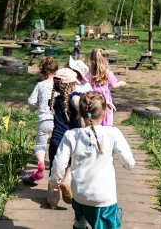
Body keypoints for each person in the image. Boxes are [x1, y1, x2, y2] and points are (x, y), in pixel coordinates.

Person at [49, 91, 135, 229]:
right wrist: (129, 164)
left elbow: (59, 164)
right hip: (104, 199)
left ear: (80, 113)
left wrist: (54, 182)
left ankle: (80, 224)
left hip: (79, 195)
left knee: (80, 217)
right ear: (104, 113)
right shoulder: (112, 133)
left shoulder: (70, 135)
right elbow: (128, 161)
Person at [47, 68, 81, 205]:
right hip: (73, 140)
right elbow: (82, 107)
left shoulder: (53, 101)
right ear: (72, 85)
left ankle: (52, 201)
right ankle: (67, 181)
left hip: (56, 140)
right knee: (73, 165)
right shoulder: (76, 97)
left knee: (54, 171)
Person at [24, 57, 59, 184]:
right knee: (58, 144)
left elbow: (32, 101)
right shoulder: (59, 85)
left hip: (44, 120)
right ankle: (57, 165)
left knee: (40, 145)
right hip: (57, 120)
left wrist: (36, 107)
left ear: (42, 72)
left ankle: (40, 164)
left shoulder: (40, 85)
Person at [87, 49, 126, 126]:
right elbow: (113, 85)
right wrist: (121, 83)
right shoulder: (108, 73)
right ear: (104, 60)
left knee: (94, 114)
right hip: (105, 99)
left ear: (91, 60)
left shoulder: (89, 73)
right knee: (106, 115)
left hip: (93, 98)